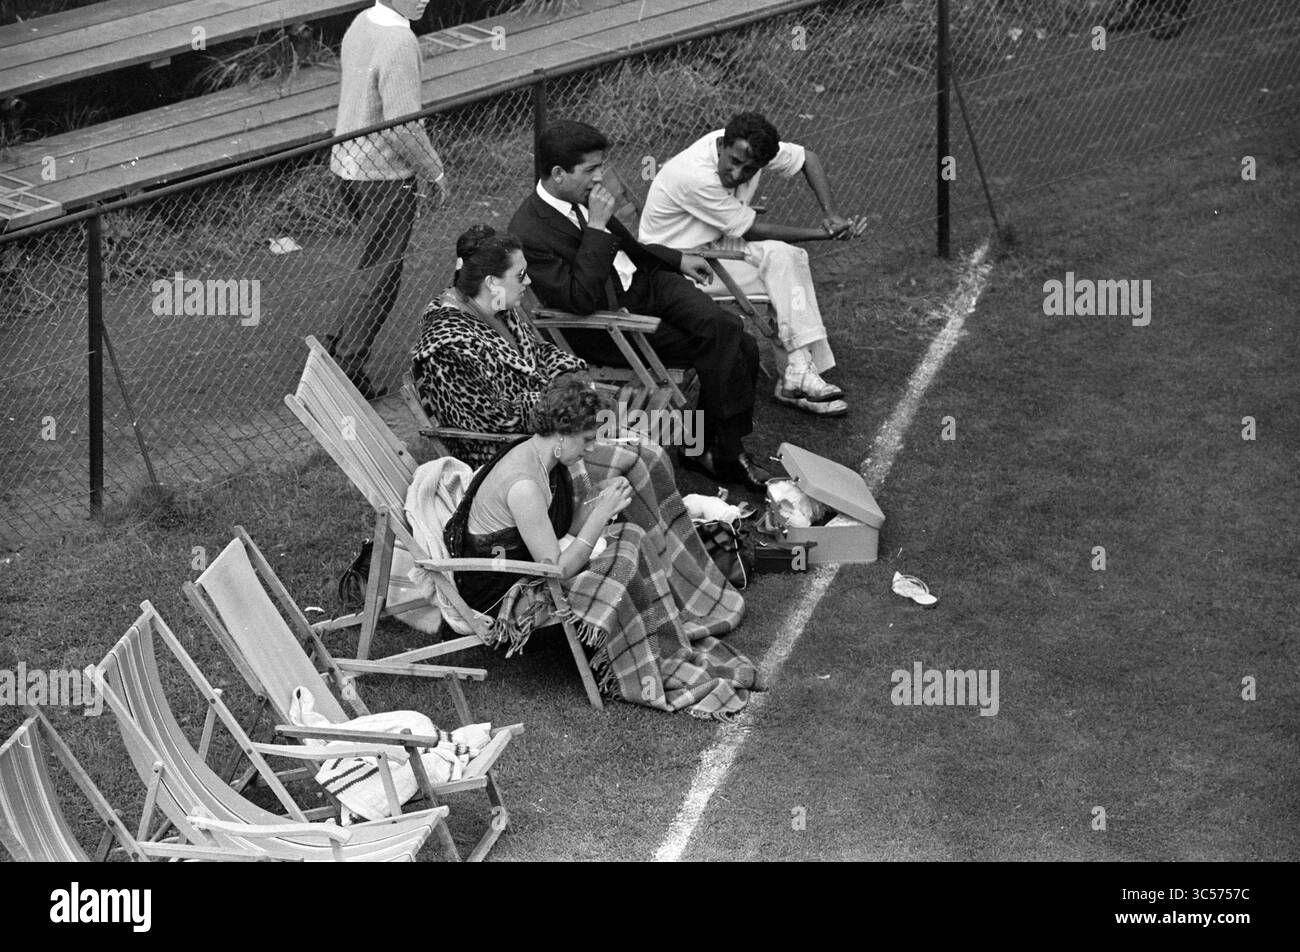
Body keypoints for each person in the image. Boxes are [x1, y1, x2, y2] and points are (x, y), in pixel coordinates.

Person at [443, 373, 764, 719]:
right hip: (501, 592)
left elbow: (557, 533)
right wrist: (600, 513)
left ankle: (661, 642)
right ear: (561, 435)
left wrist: (601, 504)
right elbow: (556, 571)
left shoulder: (541, 456)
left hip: (523, 560)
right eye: (586, 440)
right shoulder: (525, 486)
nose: (591, 448)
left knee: (632, 537)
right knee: (623, 558)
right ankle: (642, 663)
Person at [508, 119, 772, 493]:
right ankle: (722, 452)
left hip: (647, 284)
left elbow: (628, 246)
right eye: (591, 170)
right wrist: (597, 228)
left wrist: (675, 259)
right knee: (735, 343)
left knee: (727, 331)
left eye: (601, 167)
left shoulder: (581, 195)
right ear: (557, 174)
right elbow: (579, 299)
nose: (600, 177)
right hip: (612, 325)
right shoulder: (529, 231)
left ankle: (712, 448)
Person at [639, 112, 859, 416]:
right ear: (723, 144)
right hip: (676, 266)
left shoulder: (752, 147)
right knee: (783, 272)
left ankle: (797, 372)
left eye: (749, 168)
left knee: (788, 258)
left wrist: (831, 213)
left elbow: (808, 158)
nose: (737, 173)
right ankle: (797, 376)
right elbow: (752, 229)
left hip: (712, 246)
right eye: (733, 161)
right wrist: (824, 234)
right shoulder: (694, 176)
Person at [328, 0, 449, 399]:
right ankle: (347, 369)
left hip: (346, 163)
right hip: (383, 174)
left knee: (369, 263)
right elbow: (403, 125)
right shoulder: (399, 40)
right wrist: (435, 170)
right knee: (382, 274)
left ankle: (337, 350)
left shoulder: (361, 22)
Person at [412, 225, 586, 467]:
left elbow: (538, 353)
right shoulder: (448, 344)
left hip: (546, 434)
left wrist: (569, 374)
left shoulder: (499, 308)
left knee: (640, 447)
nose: (528, 280)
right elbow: (493, 419)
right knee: (639, 457)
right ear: (492, 282)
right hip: (505, 457)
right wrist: (560, 401)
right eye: (520, 275)